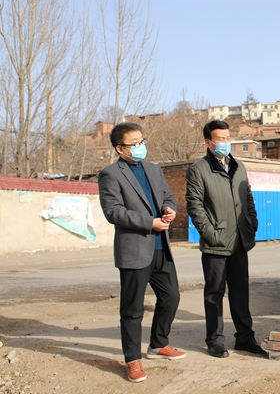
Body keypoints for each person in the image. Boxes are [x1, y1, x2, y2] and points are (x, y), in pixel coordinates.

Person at [98, 122, 185, 383]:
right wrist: (150, 222)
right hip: (134, 250)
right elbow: (114, 212)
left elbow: (168, 196)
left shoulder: (153, 169)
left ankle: (158, 343)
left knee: (171, 297)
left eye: (141, 141)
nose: (140, 147)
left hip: (161, 247)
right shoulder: (110, 174)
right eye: (133, 144)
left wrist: (169, 210)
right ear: (120, 148)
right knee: (133, 309)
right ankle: (132, 359)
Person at [185, 120, 265, 359]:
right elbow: (195, 206)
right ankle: (215, 341)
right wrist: (211, 234)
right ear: (208, 142)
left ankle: (245, 338)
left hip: (239, 239)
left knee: (240, 291)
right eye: (220, 139)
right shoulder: (199, 169)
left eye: (228, 138)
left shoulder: (238, 166)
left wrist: (251, 223)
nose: (225, 143)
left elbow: (247, 197)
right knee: (214, 294)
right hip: (216, 242)